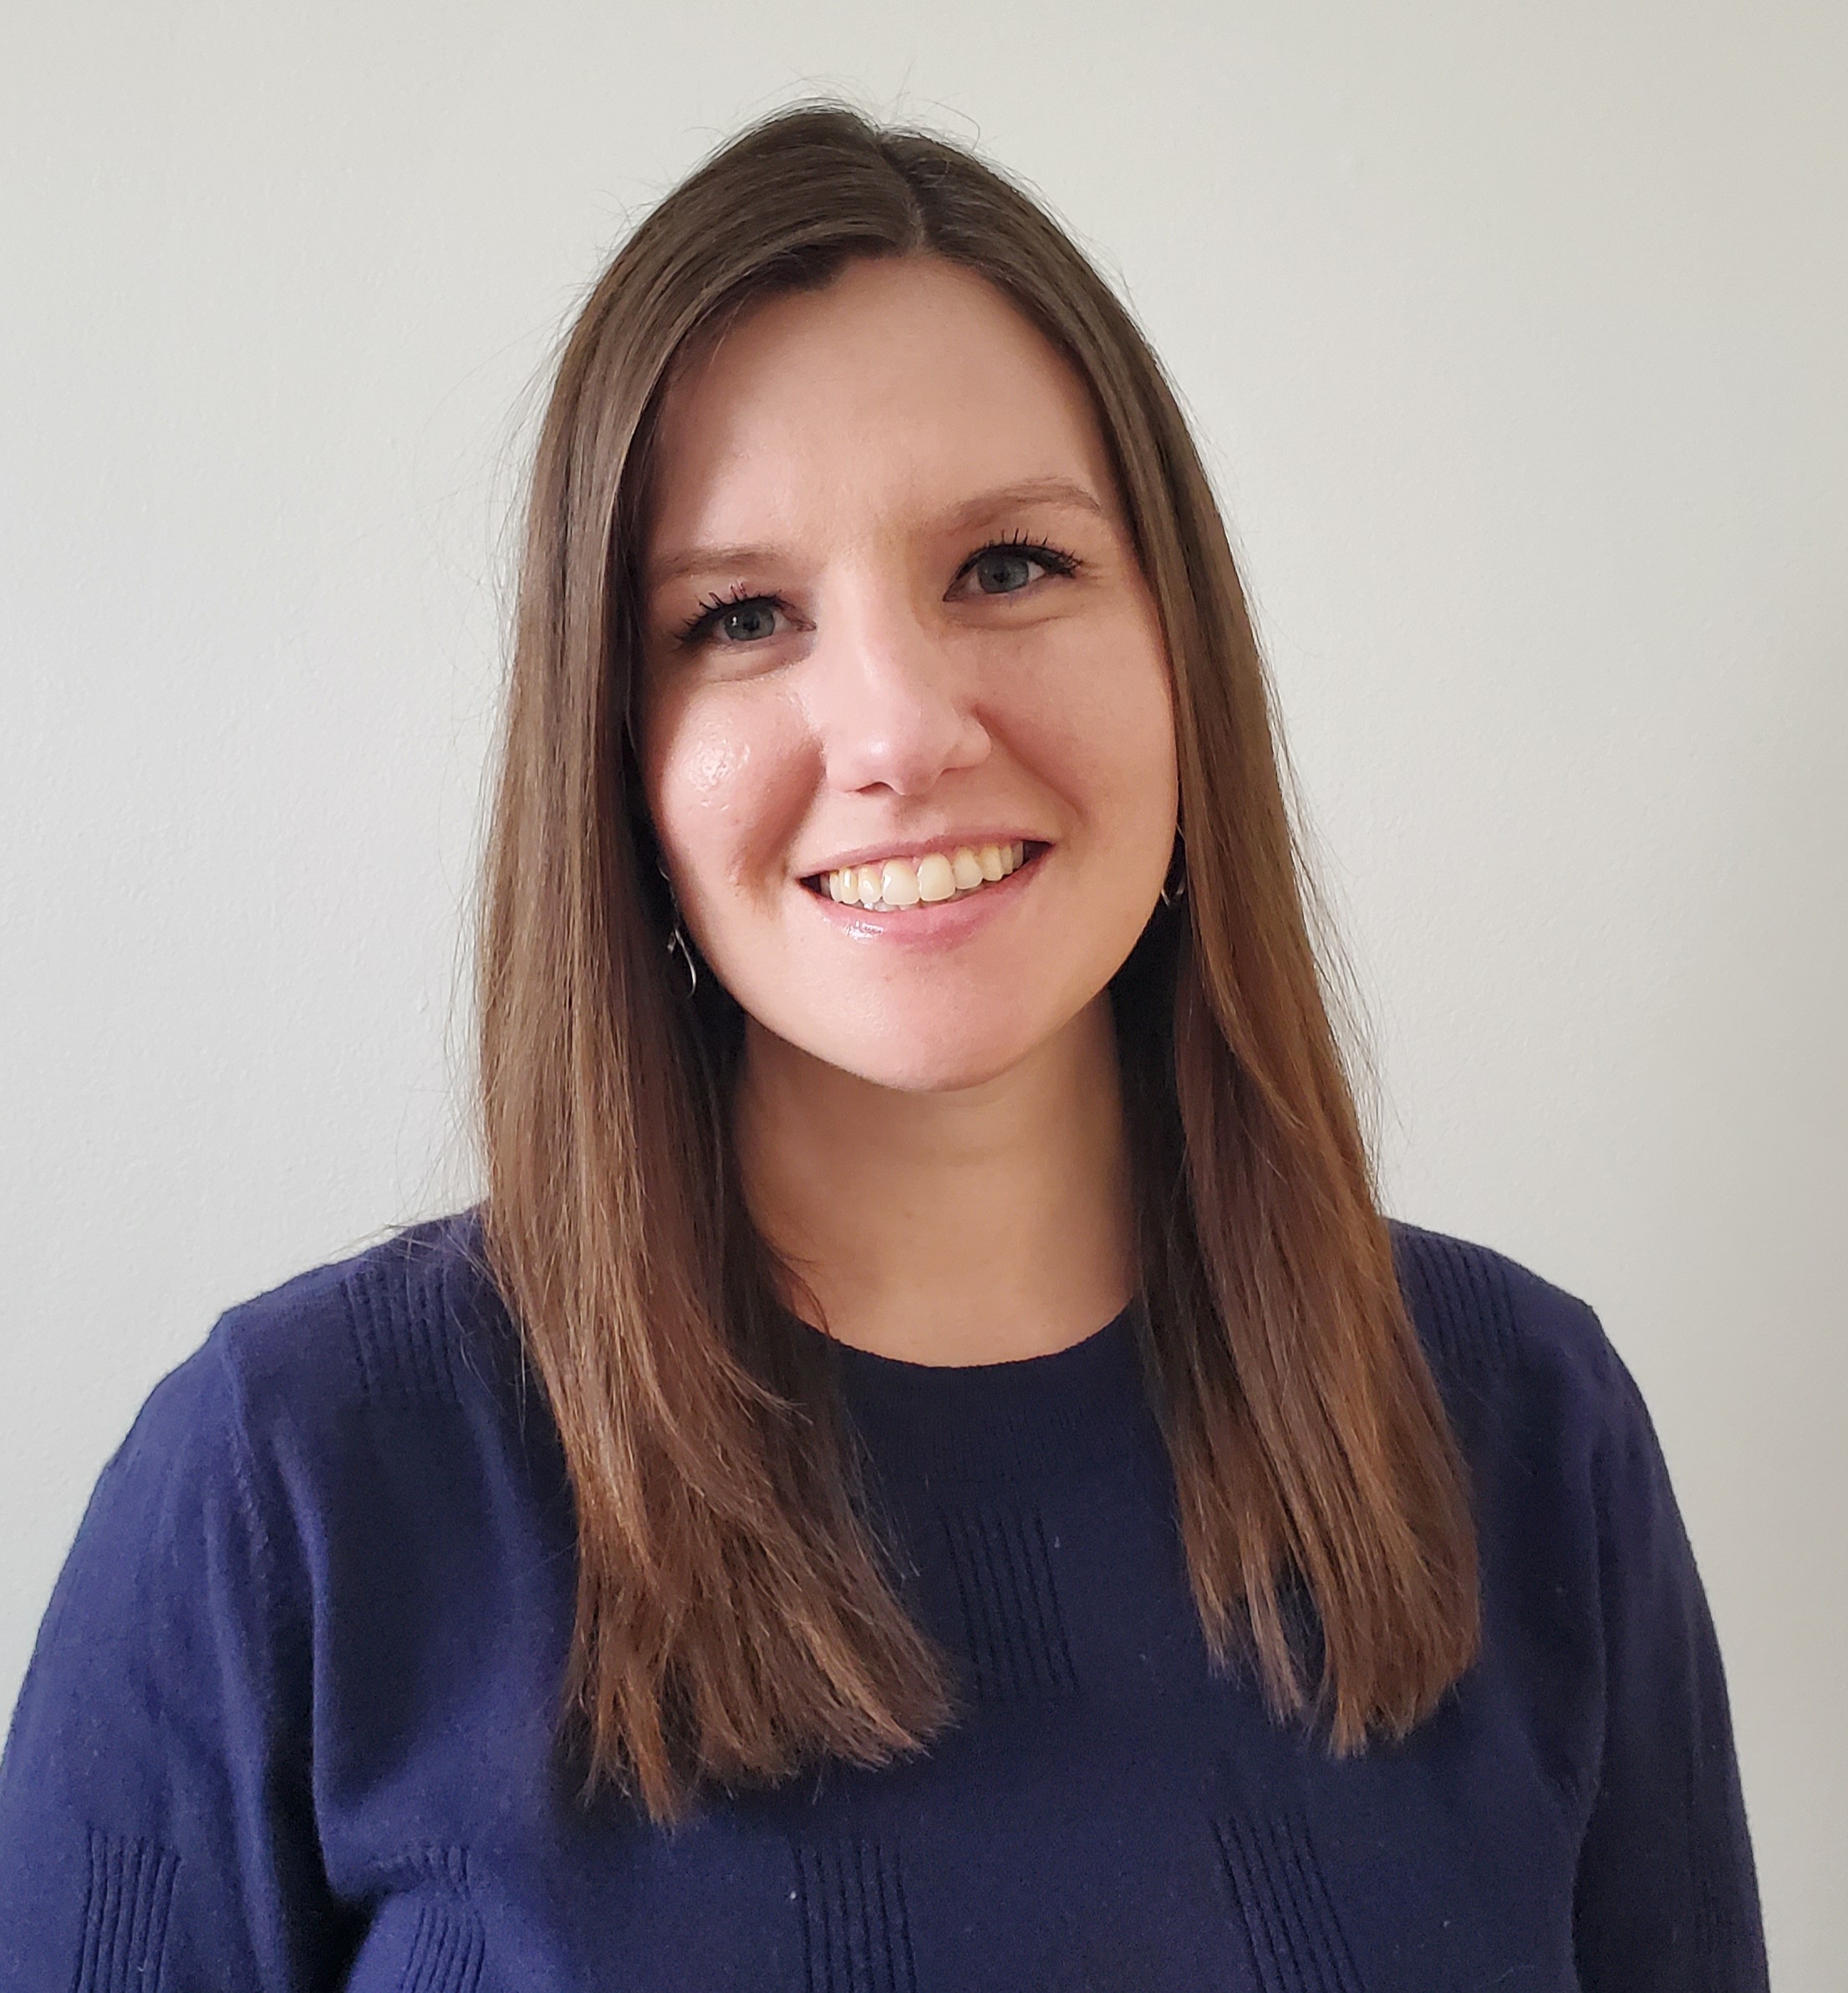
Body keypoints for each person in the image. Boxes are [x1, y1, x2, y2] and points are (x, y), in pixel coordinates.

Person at [0, 104, 1767, 1992]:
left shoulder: (1521, 1436)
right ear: (618, 760)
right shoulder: (292, 1493)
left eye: (1007, 567)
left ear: (1184, 651)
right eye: (740, 617)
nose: (901, 726)